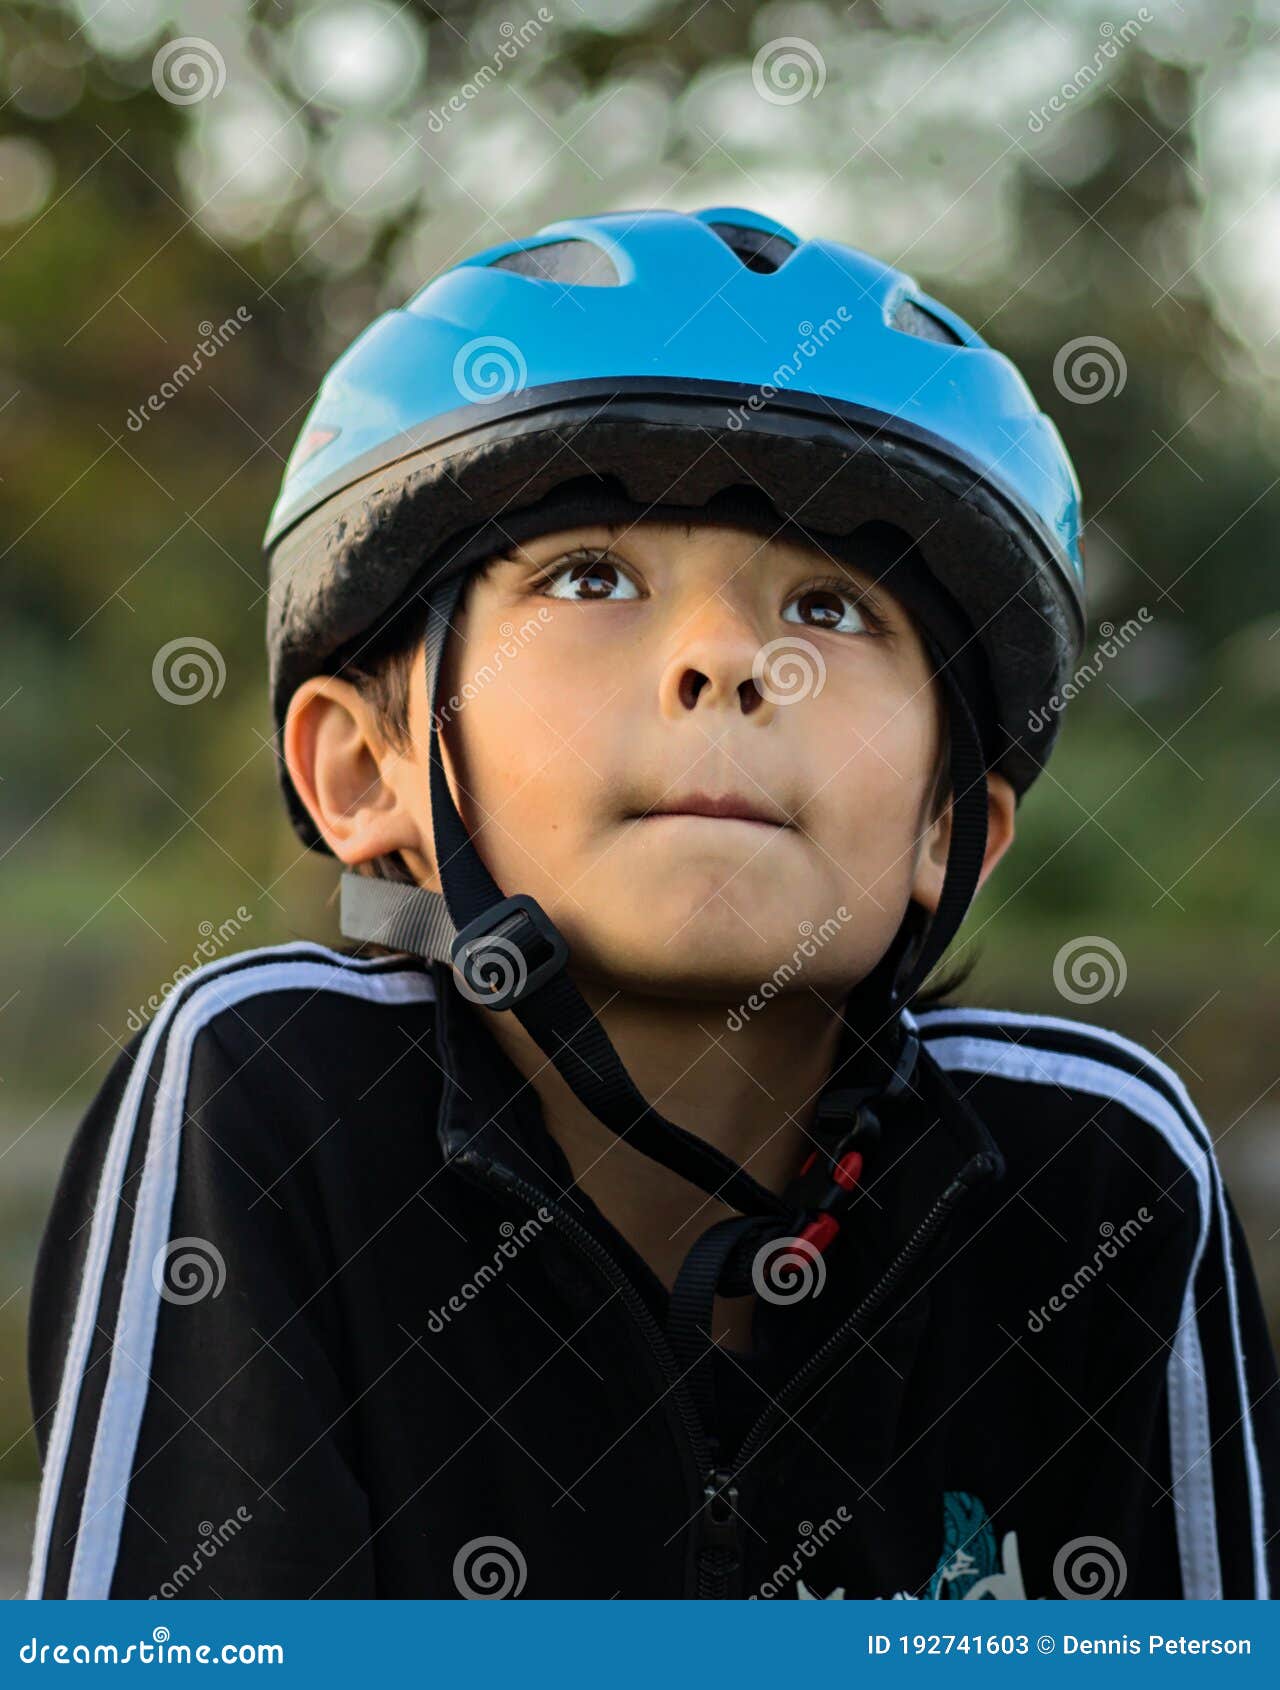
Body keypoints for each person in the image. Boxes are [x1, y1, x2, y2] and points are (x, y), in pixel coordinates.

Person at [26, 208, 1277, 1601]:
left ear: (953, 827)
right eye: (591, 575)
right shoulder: (270, 1102)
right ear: (363, 768)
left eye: (833, 609)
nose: (730, 662)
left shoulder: (1101, 1179)